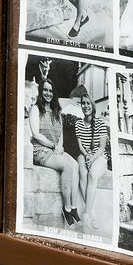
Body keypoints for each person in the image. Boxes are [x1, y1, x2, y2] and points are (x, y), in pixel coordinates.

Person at [29, 80, 82, 226]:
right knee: (67, 166)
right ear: (41, 92)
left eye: (51, 91)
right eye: (45, 90)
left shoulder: (57, 112)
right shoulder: (35, 109)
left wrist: (59, 147)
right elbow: (36, 134)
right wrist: (53, 146)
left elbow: (61, 135)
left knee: (75, 165)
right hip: (40, 150)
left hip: (54, 149)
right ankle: (66, 208)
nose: (48, 93)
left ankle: (74, 207)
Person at [66, 86, 110, 226]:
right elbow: (80, 146)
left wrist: (93, 158)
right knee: (83, 174)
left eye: (88, 103)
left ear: (92, 105)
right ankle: (90, 214)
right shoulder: (78, 124)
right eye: (83, 103)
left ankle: (86, 214)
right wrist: (86, 156)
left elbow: (102, 147)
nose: (85, 106)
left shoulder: (100, 124)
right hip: (84, 154)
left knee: (92, 175)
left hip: (99, 156)